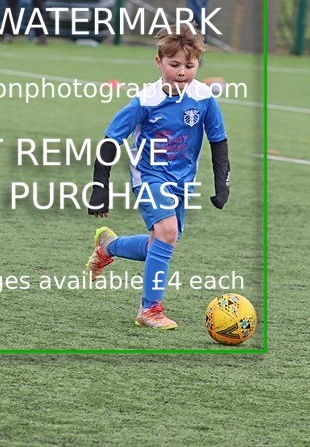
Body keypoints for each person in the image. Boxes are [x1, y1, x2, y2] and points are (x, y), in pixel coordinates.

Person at [85, 31, 230, 329]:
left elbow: (219, 140)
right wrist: (100, 187)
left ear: (198, 64)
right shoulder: (145, 100)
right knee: (166, 232)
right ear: (158, 62)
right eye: (174, 64)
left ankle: (109, 247)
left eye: (189, 66)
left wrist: (222, 183)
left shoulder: (203, 98)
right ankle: (149, 309)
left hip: (182, 180)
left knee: (165, 242)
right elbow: (111, 140)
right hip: (149, 176)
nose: (181, 72)